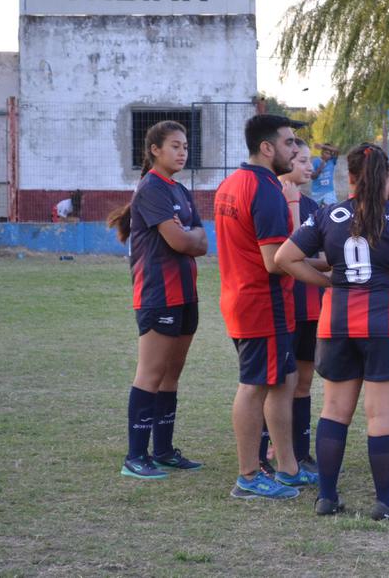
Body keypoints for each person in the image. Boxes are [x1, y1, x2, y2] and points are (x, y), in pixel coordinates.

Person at [275, 143, 389, 520]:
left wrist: (326, 282)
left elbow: (284, 257)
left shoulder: (328, 214)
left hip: (336, 323)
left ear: (350, 178)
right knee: (380, 415)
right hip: (386, 323)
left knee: (334, 410)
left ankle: (326, 498)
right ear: (387, 180)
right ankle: (386, 502)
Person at [214, 114, 317, 500]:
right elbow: (275, 261)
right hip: (262, 302)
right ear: (267, 147)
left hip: (242, 298)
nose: (295, 149)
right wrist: (325, 271)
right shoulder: (266, 190)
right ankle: (248, 475)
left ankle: (288, 468)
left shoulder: (232, 183)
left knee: (283, 382)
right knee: (254, 385)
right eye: (289, 143)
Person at [107, 121, 207, 479]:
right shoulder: (151, 188)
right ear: (155, 150)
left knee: (171, 375)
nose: (182, 152)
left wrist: (189, 236)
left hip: (186, 293)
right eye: (175, 146)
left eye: (185, 146)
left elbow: (203, 242)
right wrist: (188, 236)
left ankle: (163, 451)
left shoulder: (181, 190)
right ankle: (135, 456)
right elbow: (182, 242)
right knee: (150, 374)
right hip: (158, 295)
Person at [261, 138, 329, 476]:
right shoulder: (271, 200)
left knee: (303, 382)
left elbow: (325, 258)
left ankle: (300, 453)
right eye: (301, 160)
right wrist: (290, 206)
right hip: (279, 308)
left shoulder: (315, 207)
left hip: (310, 307)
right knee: (274, 383)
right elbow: (282, 256)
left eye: (309, 161)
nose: (307, 167)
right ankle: (265, 450)